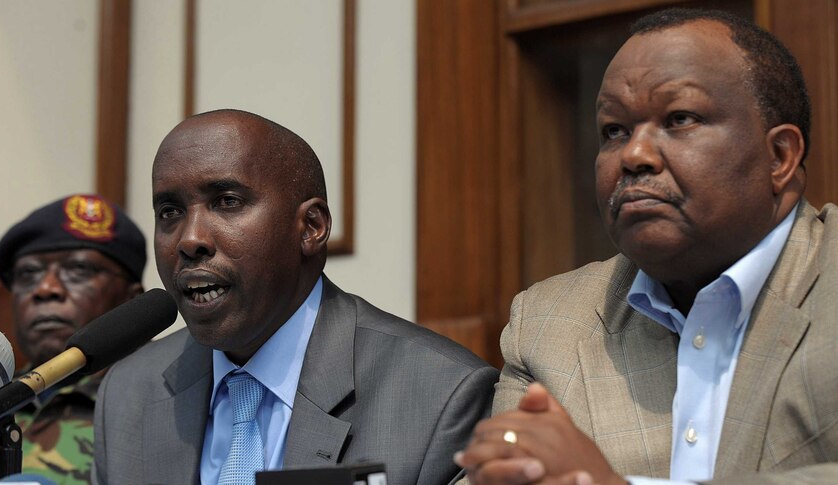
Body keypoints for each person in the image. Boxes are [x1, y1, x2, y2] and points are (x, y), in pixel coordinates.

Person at [456, 8, 838, 485]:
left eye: (679, 119)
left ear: (779, 156)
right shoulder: (548, 323)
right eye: (614, 131)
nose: (634, 155)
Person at [92, 109, 498, 485]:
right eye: (170, 212)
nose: (191, 239)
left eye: (227, 202)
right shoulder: (129, 393)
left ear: (311, 227)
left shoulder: (441, 395)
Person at [0, 194, 146, 484]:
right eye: (28, 273)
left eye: (78, 270)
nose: (45, 288)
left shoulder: (165, 402)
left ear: (131, 300)